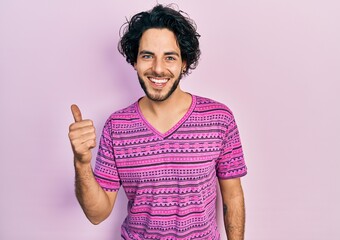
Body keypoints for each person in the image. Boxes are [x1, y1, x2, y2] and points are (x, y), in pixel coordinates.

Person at [68, 4, 247, 240]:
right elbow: (97, 214)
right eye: (147, 56)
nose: (158, 69)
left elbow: (232, 196)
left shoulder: (219, 118)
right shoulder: (116, 126)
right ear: (135, 61)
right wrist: (81, 163)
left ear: (184, 63)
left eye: (169, 57)